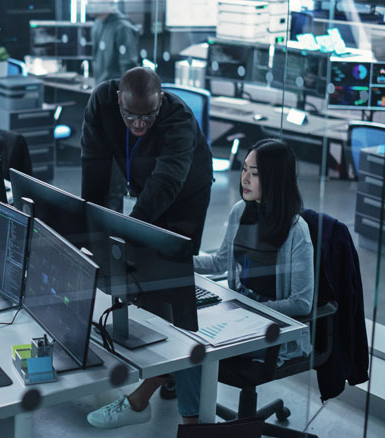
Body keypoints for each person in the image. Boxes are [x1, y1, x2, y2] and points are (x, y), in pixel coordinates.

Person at [87, 139, 315, 429]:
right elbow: (220, 263)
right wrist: (172, 258)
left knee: (191, 346)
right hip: (238, 313)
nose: (244, 178)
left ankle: (144, 405)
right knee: (181, 327)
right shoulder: (240, 212)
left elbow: (302, 302)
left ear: (275, 178)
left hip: (273, 331)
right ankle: (171, 417)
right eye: (243, 169)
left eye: (254, 173)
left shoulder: (297, 231)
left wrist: (249, 308)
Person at [81, 67, 213, 255]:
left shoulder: (179, 118)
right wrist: (88, 229)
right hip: (142, 178)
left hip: (187, 190)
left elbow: (166, 182)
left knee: (172, 258)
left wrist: (128, 230)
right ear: (119, 98)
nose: (139, 123)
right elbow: (93, 164)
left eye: (148, 115)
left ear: (160, 99)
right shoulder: (102, 101)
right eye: (130, 115)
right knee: (133, 251)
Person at [89, 4, 140, 84]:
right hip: (102, 88)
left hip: (116, 91)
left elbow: (129, 67)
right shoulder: (97, 24)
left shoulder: (123, 28)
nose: (90, 3)